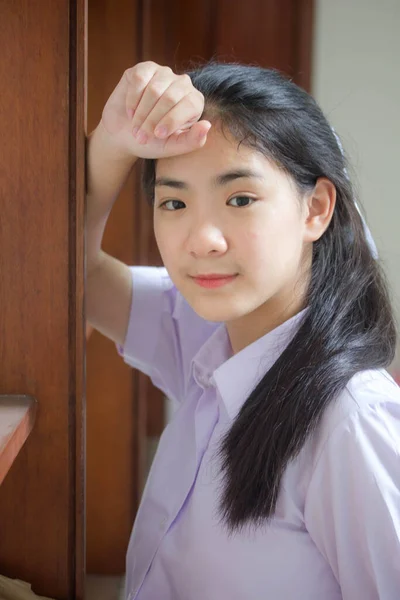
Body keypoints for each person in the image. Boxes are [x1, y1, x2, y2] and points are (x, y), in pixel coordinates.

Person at [86, 61, 400, 600]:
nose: (202, 239)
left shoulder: (350, 423)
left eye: (240, 199)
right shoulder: (212, 334)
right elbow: (68, 277)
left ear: (315, 209)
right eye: (174, 202)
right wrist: (115, 144)